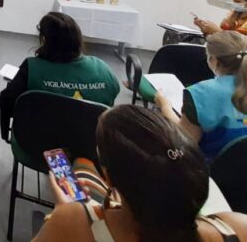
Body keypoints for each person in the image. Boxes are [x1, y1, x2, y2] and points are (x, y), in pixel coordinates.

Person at [32, 104, 247, 242]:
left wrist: (60, 212)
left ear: (109, 178)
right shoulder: (237, 227)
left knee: (82, 166)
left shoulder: (73, 221)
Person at [0, 12, 120, 141]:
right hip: (90, 145)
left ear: (45, 40)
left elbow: (8, 101)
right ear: (77, 38)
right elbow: (111, 101)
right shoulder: (103, 69)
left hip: (38, 144)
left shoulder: (32, 67)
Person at [155, 30, 247, 161]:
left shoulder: (201, 93)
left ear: (213, 60)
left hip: (212, 173)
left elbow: (186, 140)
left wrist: (164, 106)